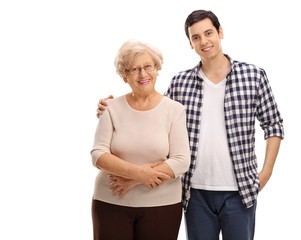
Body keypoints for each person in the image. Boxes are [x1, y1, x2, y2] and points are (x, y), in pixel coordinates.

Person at [97, 10, 284, 240]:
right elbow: (152, 114)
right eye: (196, 37)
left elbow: (273, 125)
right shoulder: (180, 82)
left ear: (220, 33)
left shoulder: (253, 76)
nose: (204, 41)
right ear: (190, 43)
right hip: (194, 193)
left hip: (240, 191)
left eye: (208, 33)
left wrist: (265, 174)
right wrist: (111, 107)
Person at [91, 40, 190, 240]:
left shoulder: (175, 110)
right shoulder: (110, 108)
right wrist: (139, 174)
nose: (143, 74)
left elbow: (181, 160)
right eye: (134, 69)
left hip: (162, 206)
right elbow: (98, 155)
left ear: (157, 69)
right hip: (110, 203)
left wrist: (135, 180)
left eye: (148, 67)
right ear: (124, 76)